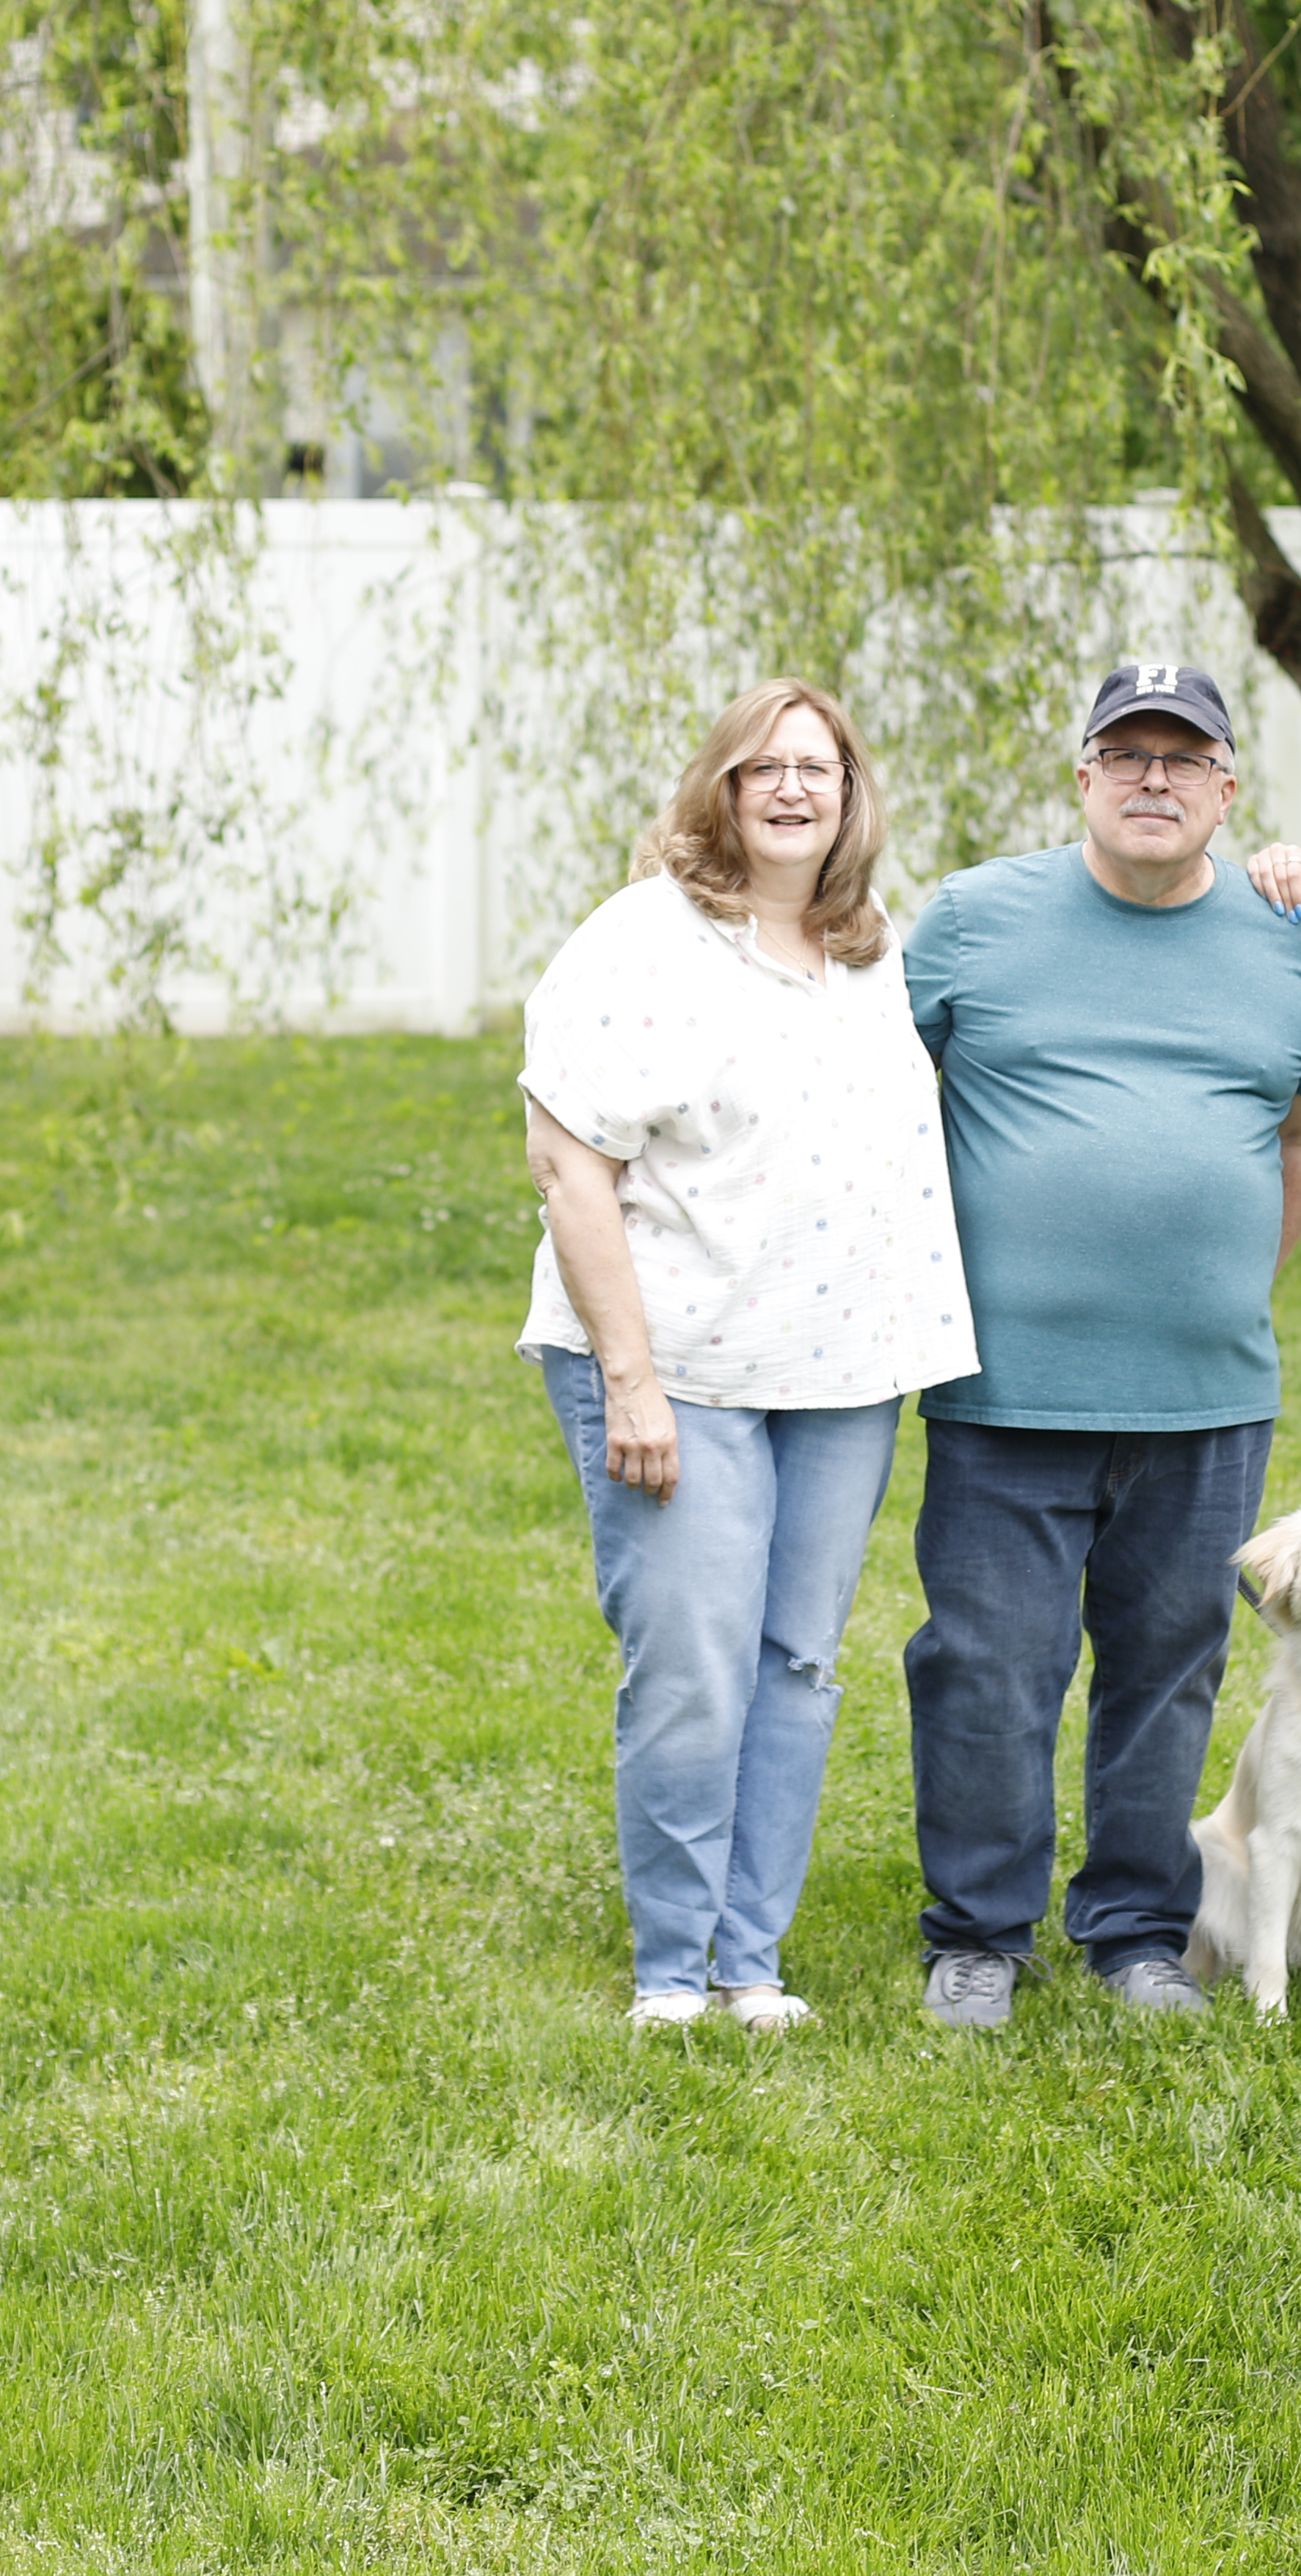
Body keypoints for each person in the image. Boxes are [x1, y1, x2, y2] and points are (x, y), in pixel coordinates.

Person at [520, 679, 980, 2033]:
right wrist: (632, 1380)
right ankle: (673, 1970)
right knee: (693, 1662)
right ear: (718, 789)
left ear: (851, 796)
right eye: (762, 768)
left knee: (795, 1660)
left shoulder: (867, 944)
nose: (791, 790)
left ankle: (748, 1959)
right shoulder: (643, 941)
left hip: (838, 1370)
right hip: (681, 1367)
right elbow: (567, 1163)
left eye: (818, 770)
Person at [903, 661, 1301, 2028]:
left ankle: (1136, 1933)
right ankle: (978, 1932)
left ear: (1226, 788)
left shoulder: (1290, 939)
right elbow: (864, 1090)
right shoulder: (977, 920)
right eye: (1126, 755)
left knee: (1168, 1669)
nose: (1152, 779)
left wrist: (1221, 1282)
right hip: (1005, 1389)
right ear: (1082, 776)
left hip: (1205, 1394)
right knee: (991, 1665)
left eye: (1183, 759)